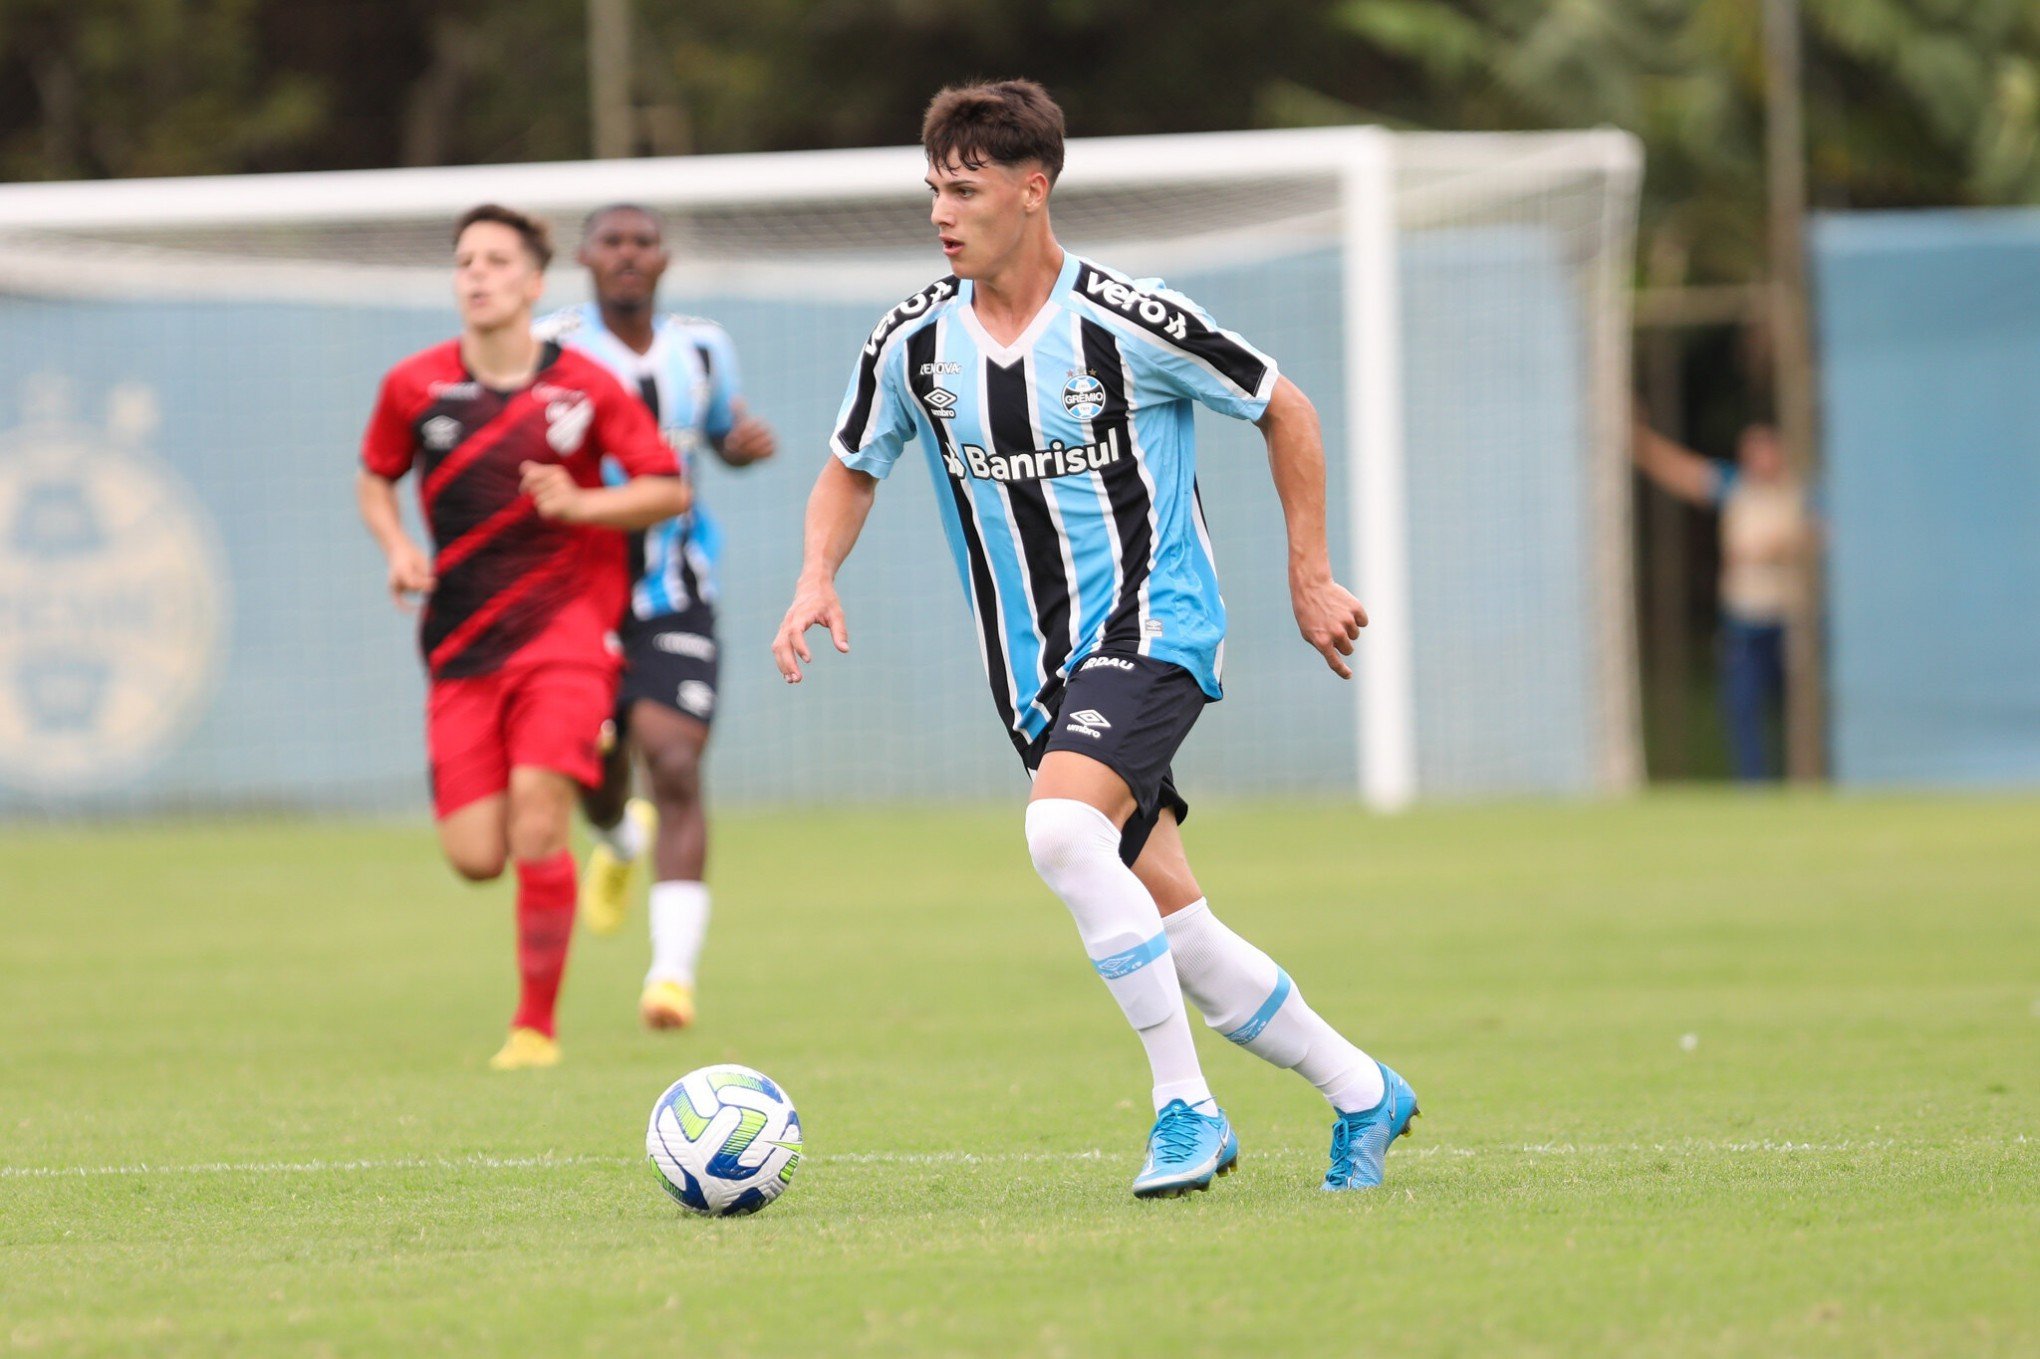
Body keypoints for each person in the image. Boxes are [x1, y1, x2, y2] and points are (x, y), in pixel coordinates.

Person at [772, 80, 1416, 1198]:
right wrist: (814, 577)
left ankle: (1186, 1110)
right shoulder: (914, 341)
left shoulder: (1130, 318)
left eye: (965, 189)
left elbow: (1283, 405)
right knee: (1181, 928)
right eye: (933, 187)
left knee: (1064, 834)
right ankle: (1364, 1090)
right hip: (1035, 676)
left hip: (1154, 628)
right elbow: (850, 462)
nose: (942, 211)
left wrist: (1308, 575)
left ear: (1034, 189)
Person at [357, 204, 689, 1070]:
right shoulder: (413, 387)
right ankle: (612, 798)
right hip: (462, 646)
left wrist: (582, 504)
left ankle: (534, 1030)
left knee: (538, 824)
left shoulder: (584, 387)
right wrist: (397, 548)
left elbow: (664, 487)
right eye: (465, 260)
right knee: (476, 857)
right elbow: (375, 476)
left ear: (534, 283)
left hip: (568, 634)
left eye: (497, 260)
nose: (477, 274)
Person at [539, 204, 778, 1032]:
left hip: (675, 590)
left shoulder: (703, 347)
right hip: (573, 596)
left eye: (644, 243)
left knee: (673, 762)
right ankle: (616, 841)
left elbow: (715, 438)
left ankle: (670, 975)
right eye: (613, 242)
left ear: (665, 258)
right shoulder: (551, 346)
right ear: (586, 257)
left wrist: (739, 447)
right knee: (593, 775)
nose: (629, 256)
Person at [1632, 417, 1814, 781]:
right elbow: (1680, 471)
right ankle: (1753, 788)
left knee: (1800, 714)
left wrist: (1777, 546)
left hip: (1789, 623)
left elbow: (1822, 532)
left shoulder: (1799, 495)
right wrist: (1637, 437)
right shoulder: (1734, 487)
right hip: (1745, 624)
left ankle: (1805, 783)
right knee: (1742, 709)